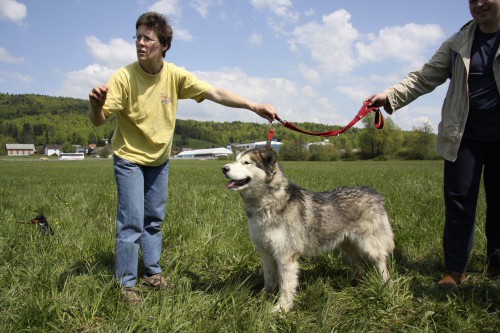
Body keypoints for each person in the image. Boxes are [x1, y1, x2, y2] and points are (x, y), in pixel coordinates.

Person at [89, 12, 276, 302]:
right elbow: (100, 120)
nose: (140, 43)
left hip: (159, 160)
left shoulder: (175, 75)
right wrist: (96, 106)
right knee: (132, 222)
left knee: (154, 219)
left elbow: (214, 92)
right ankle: (126, 283)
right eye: (137, 36)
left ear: (163, 44)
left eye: (147, 38)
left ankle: (152, 273)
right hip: (129, 158)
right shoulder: (124, 77)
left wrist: (252, 105)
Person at [366, 0, 500, 287]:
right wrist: (389, 96)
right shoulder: (458, 42)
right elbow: (425, 76)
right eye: (472, 0)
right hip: (463, 135)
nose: (478, 4)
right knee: (459, 203)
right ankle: (455, 270)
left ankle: (496, 264)